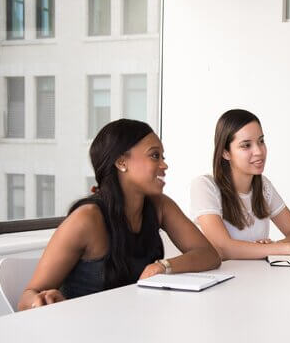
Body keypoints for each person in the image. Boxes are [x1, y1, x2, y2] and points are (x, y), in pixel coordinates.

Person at [18, 119, 221, 310]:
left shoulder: (160, 206)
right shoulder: (86, 219)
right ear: (122, 162)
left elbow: (208, 255)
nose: (164, 165)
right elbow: (27, 298)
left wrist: (163, 266)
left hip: (134, 323)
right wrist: (40, 302)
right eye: (154, 155)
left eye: (162, 156)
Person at [192, 109, 290, 260]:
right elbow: (224, 248)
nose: (259, 151)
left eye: (261, 141)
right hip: (224, 280)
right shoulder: (204, 186)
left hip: (259, 277)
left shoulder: (263, 186)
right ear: (225, 153)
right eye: (246, 145)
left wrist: (270, 248)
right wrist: (281, 248)